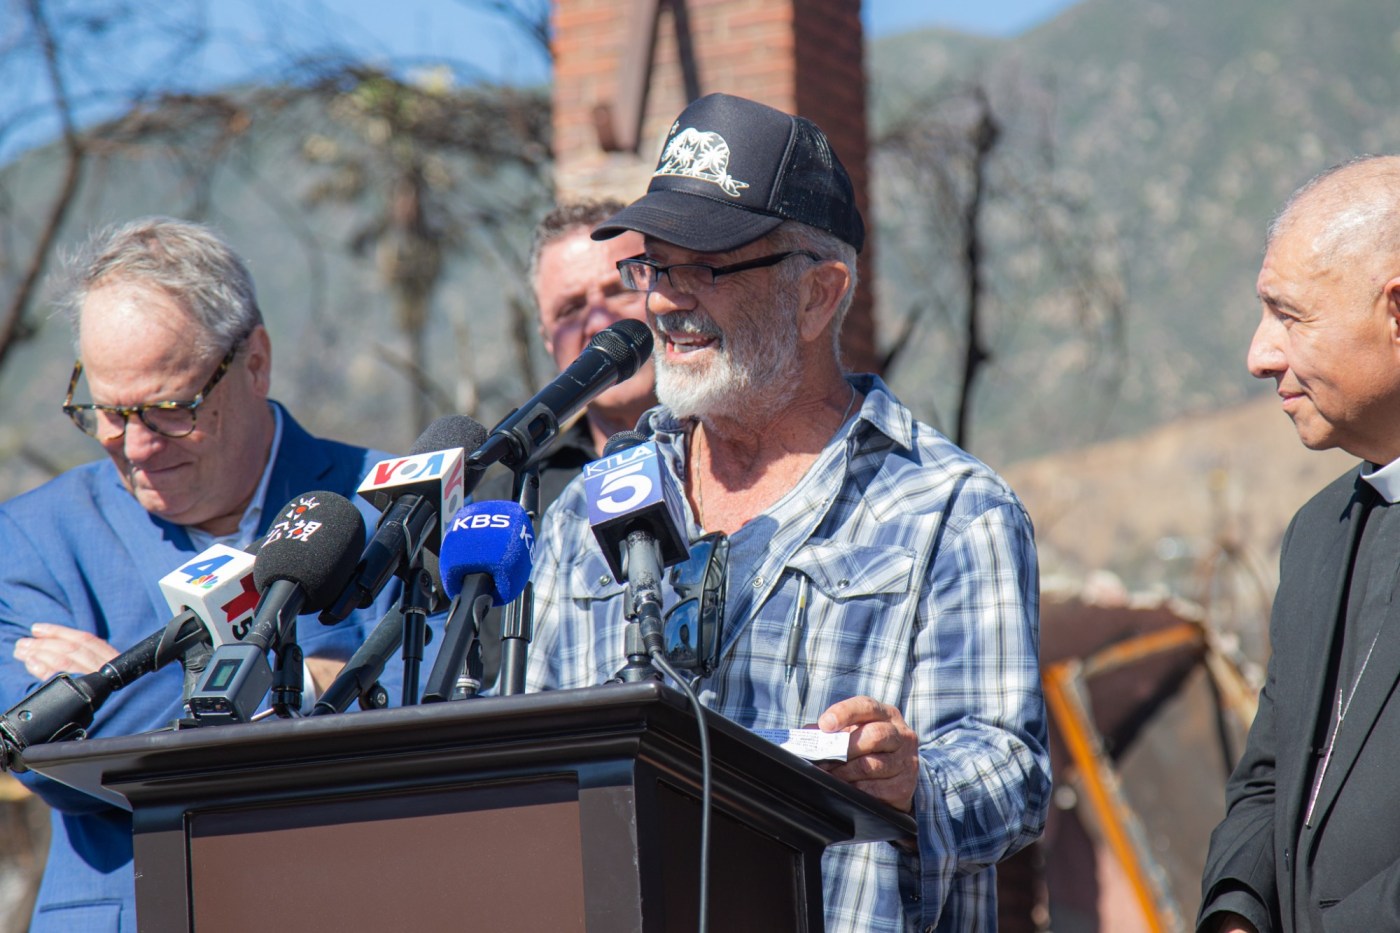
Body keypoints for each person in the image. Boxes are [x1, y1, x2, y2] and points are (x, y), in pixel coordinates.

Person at [525, 93, 1049, 932]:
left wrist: (915, 777)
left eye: (705, 267)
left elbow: (1013, 774)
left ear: (818, 295)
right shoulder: (588, 510)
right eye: (654, 266)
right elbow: (537, 773)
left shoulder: (950, 508)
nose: (662, 301)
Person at [0, 217, 393, 933]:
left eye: (170, 408)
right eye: (108, 412)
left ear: (255, 362)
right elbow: (42, 749)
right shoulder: (32, 536)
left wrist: (120, 678)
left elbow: (426, 710)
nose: (138, 446)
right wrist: (312, 684)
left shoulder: (384, 504)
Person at [1199, 156, 1400, 933]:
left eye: (1290, 316)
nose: (1259, 354)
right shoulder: (1319, 533)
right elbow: (1271, 775)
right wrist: (1236, 913)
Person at [470, 200, 656, 688]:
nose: (597, 323)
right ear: (548, 341)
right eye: (571, 309)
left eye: (617, 291)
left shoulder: (734, 462)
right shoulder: (510, 497)